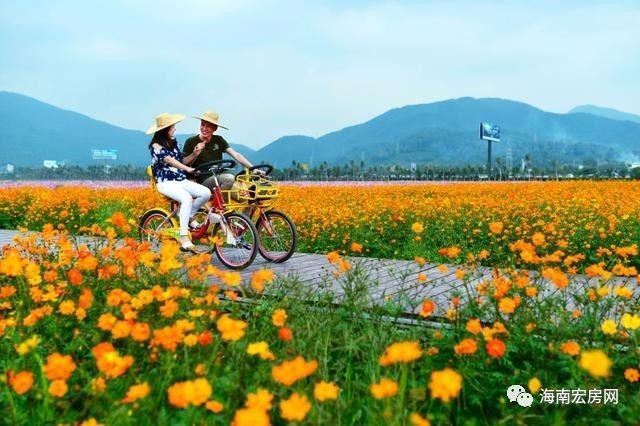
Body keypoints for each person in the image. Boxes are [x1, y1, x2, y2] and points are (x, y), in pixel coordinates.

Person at [147, 112, 211, 252]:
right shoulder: (156, 146)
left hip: (180, 180)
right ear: (165, 130)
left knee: (205, 193)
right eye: (172, 127)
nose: (175, 129)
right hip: (166, 183)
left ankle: (188, 216)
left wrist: (195, 154)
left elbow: (180, 161)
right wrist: (187, 169)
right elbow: (169, 160)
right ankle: (183, 236)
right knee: (187, 198)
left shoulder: (173, 143)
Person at [182, 111, 260, 191]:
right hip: (203, 178)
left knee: (242, 195)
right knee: (229, 178)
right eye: (203, 124)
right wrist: (195, 154)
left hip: (220, 175)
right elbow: (184, 163)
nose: (204, 128)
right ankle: (219, 201)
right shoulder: (191, 141)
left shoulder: (219, 140)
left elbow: (236, 155)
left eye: (209, 126)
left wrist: (253, 168)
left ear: (215, 128)